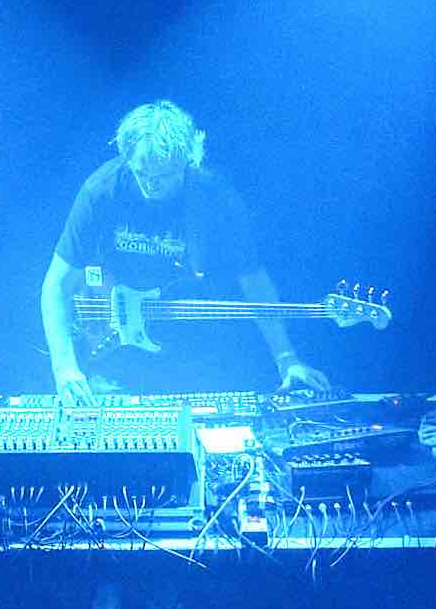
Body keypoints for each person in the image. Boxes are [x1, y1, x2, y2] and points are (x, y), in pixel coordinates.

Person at [41, 97, 326, 402]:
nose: (151, 185)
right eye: (141, 173)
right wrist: (64, 366)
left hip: (191, 349)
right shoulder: (101, 190)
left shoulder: (214, 196)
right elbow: (57, 284)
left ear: (188, 161)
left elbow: (252, 279)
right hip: (112, 354)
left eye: (163, 176)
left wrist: (286, 358)